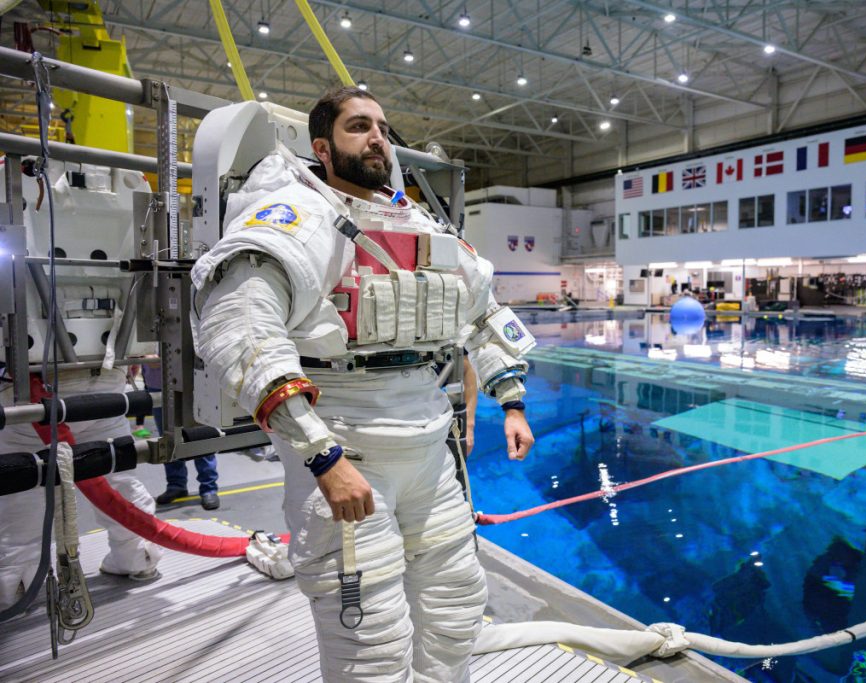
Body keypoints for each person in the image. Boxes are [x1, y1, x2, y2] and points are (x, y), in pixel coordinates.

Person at [190, 86, 535, 682]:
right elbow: (240, 326)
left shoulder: (418, 222)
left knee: (455, 609)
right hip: (348, 444)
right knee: (370, 637)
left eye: (380, 125)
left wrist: (512, 401)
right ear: (322, 148)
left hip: (428, 447)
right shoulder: (298, 216)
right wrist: (323, 458)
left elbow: (480, 311)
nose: (377, 136)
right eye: (358, 127)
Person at [0, 367, 163, 609]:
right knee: (115, 473)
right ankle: (137, 556)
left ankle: (14, 586)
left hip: (27, 387)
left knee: (25, 486)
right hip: (105, 381)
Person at [142, 363, 220, 510]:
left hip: (191, 380)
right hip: (157, 383)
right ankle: (176, 485)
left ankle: (209, 488)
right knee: (168, 439)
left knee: (200, 436)